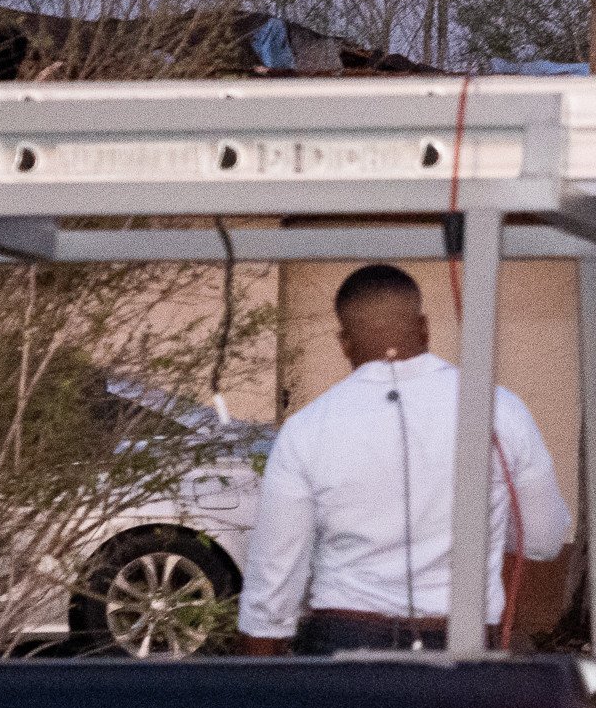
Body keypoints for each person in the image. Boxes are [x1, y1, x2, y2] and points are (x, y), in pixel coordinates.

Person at [236, 264, 571, 655]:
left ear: (343, 342)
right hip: (461, 640)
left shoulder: (307, 426)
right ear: (424, 326)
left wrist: (261, 666)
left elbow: (275, 569)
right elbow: (544, 538)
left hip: (345, 636)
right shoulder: (499, 409)